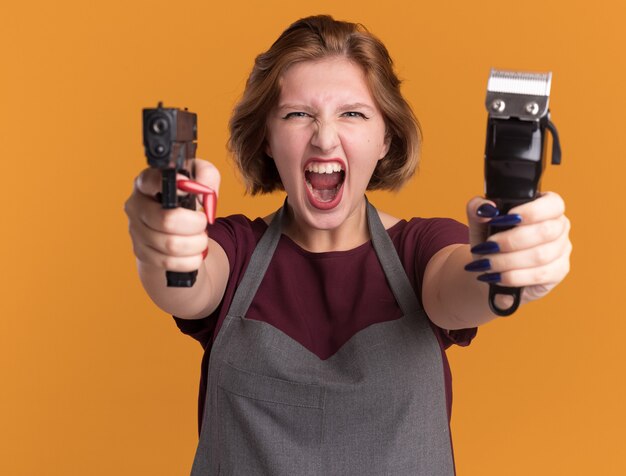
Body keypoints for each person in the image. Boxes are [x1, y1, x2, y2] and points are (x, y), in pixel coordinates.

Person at [124, 15, 571, 476]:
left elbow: (460, 287)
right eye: (299, 114)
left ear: (386, 139)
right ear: (267, 141)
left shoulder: (422, 250)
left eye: (352, 113)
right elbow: (186, 282)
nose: (324, 137)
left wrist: (506, 265)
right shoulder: (232, 250)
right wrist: (165, 241)